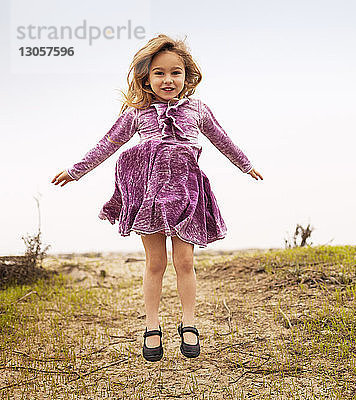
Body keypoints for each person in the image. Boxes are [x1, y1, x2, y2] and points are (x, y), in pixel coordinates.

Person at [50, 34, 264, 362]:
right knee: (156, 263)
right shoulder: (138, 112)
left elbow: (223, 140)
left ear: (187, 76)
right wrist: (76, 170)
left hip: (188, 195)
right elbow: (108, 143)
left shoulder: (198, 109)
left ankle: (189, 323)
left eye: (175, 72)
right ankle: (152, 326)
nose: (168, 79)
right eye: (159, 73)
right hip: (149, 196)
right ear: (147, 78)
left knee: (185, 261)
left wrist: (246, 165)